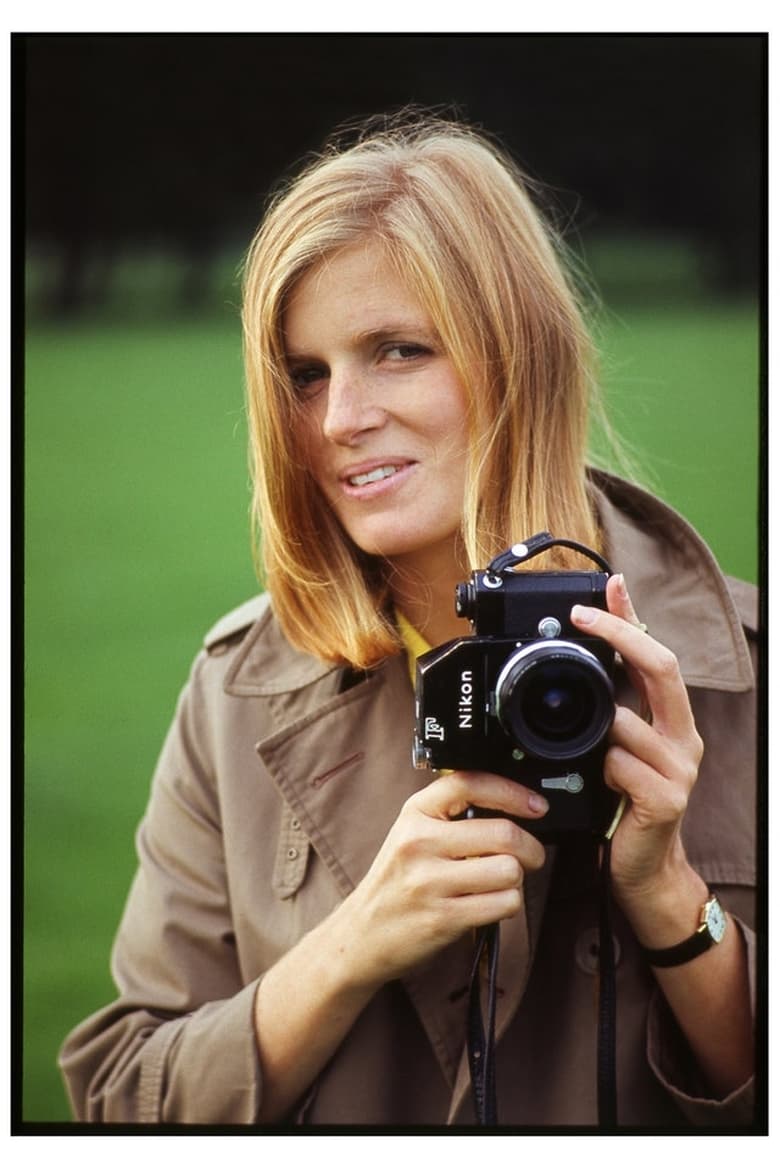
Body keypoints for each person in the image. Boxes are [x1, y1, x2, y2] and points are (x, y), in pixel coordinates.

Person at [59, 114, 757, 1128]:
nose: (340, 418)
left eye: (398, 350)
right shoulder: (236, 692)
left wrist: (669, 901)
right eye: (305, 374)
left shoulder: (749, 669)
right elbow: (119, 1102)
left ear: (518, 354)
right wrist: (354, 942)